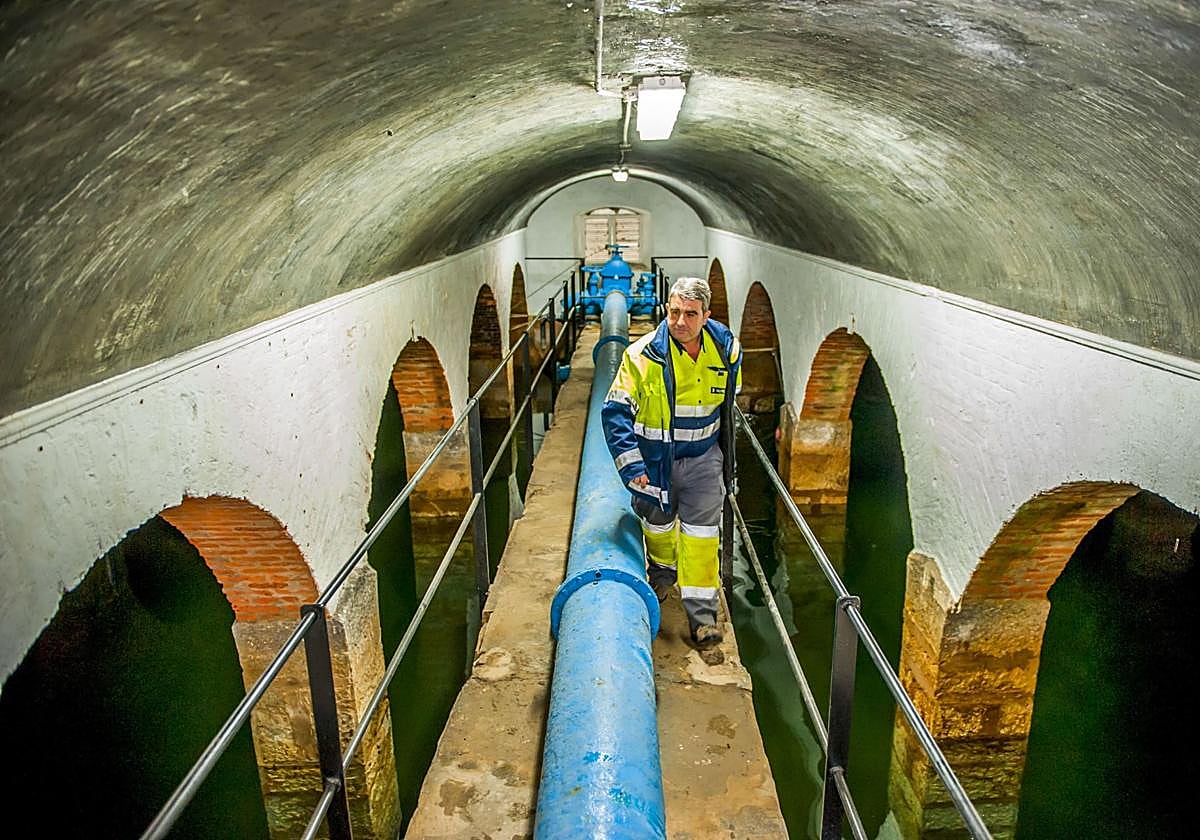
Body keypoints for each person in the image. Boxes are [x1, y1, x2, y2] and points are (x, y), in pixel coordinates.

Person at [601, 276, 741, 648]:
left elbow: (728, 407)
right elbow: (614, 413)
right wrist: (633, 469)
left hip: (703, 459)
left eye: (690, 314)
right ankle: (662, 574)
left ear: (706, 315)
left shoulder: (725, 349)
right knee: (658, 524)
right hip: (656, 461)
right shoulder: (642, 356)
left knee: (702, 534)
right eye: (674, 311)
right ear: (667, 309)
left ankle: (702, 616)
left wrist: (728, 462)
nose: (680, 321)